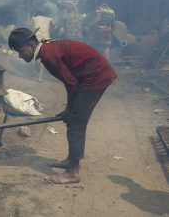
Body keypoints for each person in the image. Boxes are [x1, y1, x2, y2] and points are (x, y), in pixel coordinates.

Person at [8, 28, 117, 184]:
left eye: (20, 51)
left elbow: (71, 83)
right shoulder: (46, 47)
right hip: (91, 75)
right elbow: (71, 81)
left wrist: (70, 110)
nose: (20, 55)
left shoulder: (48, 55)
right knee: (73, 119)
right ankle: (70, 160)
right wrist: (69, 109)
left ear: (32, 45)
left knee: (76, 123)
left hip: (97, 76)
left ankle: (73, 172)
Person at [30, 11, 57, 82]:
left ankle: (32, 71)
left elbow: (31, 28)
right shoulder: (48, 18)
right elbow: (55, 25)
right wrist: (52, 30)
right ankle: (40, 77)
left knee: (34, 53)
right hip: (45, 38)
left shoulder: (33, 18)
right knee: (43, 56)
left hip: (36, 36)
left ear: (37, 14)